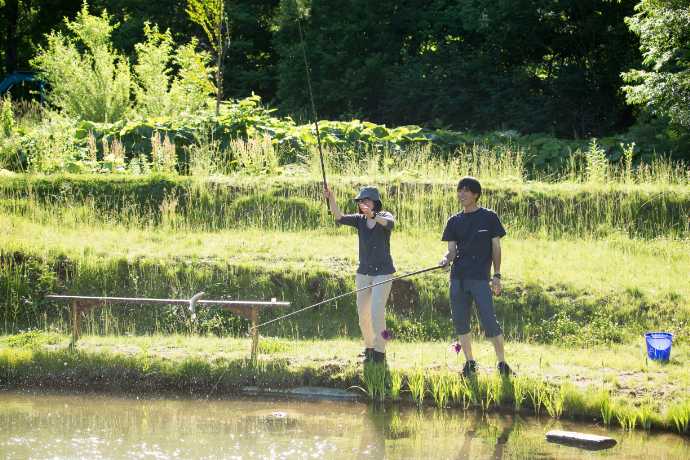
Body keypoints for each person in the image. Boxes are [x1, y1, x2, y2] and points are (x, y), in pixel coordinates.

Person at [438, 176, 512, 377]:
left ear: (476, 194)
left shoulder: (489, 217)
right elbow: (451, 251)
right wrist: (445, 260)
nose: (461, 194)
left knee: (489, 321)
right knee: (461, 322)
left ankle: (502, 364)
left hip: (480, 278)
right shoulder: (454, 221)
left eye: (466, 191)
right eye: (459, 190)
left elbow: (496, 247)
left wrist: (496, 275)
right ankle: (470, 362)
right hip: (458, 279)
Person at [324, 185, 396, 363]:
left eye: (366, 200)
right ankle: (369, 347)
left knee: (377, 311)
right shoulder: (359, 220)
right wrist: (331, 197)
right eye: (361, 201)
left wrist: (373, 216)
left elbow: (390, 224)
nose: (363, 203)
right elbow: (339, 216)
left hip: (384, 273)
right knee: (363, 313)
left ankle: (380, 351)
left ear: (375, 202)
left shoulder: (384, 216)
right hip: (363, 272)